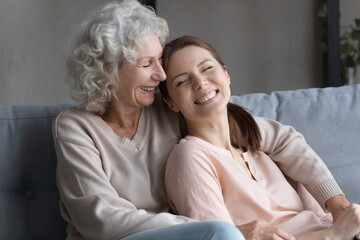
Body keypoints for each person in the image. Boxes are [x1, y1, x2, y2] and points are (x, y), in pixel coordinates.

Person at [53, 0, 348, 239]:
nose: (162, 74)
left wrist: (337, 204)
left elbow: (275, 136)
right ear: (108, 71)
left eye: (159, 60)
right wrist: (213, 229)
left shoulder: (166, 107)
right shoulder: (75, 128)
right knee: (221, 232)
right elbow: (102, 219)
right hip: (123, 238)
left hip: (189, 235)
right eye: (147, 64)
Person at [159, 35, 360, 240]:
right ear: (171, 102)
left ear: (226, 74)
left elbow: (321, 217)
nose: (200, 83)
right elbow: (218, 236)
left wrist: (342, 218)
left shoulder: (258, 143)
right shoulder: (189, 157)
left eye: (207, 68)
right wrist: (333, 235)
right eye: (182, 81)